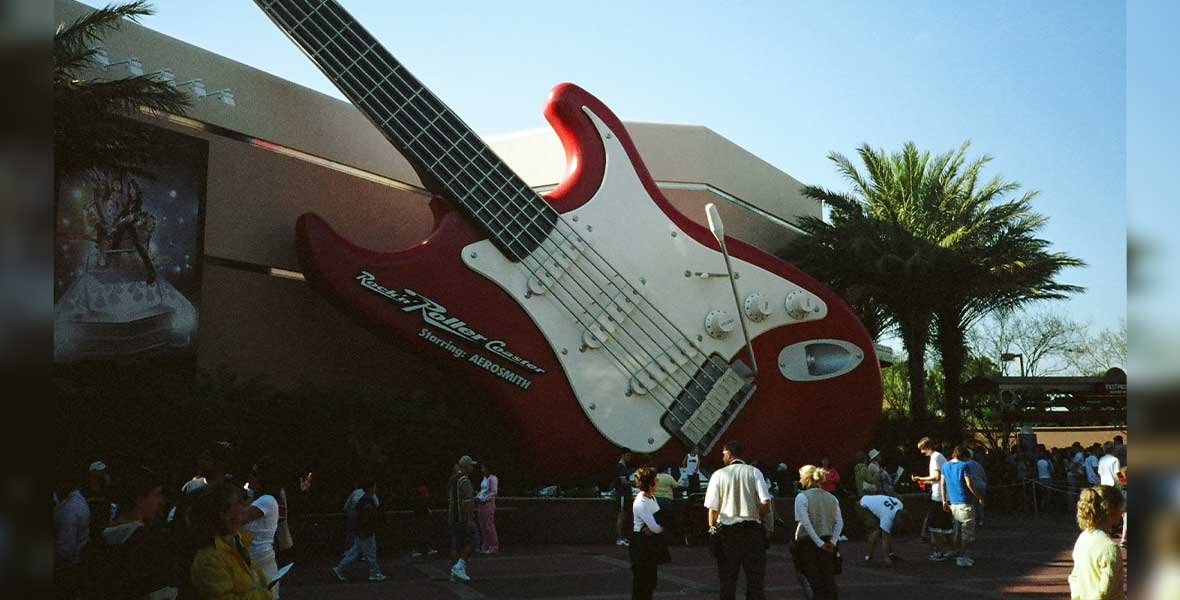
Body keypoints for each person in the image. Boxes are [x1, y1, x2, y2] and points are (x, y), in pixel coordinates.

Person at [86, 466, 177, 600]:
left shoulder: (98, 539)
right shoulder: (146, 543)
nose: (161, 502)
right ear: (139, 499)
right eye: (157, 494)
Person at [703, 441, 772, 600]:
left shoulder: (718, 475)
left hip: (728, 532)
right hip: (752, 531)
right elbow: (766, 502)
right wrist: (758, 516)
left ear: (729, 454)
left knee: (727, 580)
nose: (722, 458)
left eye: (723, 454)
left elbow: (713, 509)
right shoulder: (754, 472)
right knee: (755, 581)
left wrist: (712, 529)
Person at [189, 481, 273, 600]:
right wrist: (264, 595)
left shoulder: (235, 543)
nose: (244, 505)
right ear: (223, 513)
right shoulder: (210, 558)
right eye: (238, 502)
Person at [54, 460, 109, 599]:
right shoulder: (82, 496)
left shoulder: (73, 506)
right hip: (85, 548)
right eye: (98, 473)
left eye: (103, 473)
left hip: (83, 554)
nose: (102, 476)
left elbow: (65, 549)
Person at [793, 465, 843, 600]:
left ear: (808, 478)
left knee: (811, 580)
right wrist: (832, 542)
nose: (800, 480)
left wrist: (819, 543)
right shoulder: (832, 498)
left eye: (801, 476)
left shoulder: (802, 497)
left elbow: (805, 523)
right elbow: (839, 522)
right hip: (828, 540)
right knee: (828, 578)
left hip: (807, 543)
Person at [1068, 485, 1125, 599]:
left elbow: (1074, 578)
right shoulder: (1110, 547)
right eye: (1121, 509)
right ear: (1112, 511)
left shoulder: (1082, 539)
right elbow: (1105, 589)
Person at [332, 478, 387, 582]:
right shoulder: (368, 501)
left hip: (361, 531)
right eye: (374, 486)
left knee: (354, 552)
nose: (376, 488)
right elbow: (367, 518)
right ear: (371, 488)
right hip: (366, 531)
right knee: (370, 553)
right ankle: (374, 573)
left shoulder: (363, 499)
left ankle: (340, 568)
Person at [242, 459, 282, 597]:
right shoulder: (258, 499)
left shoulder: (267, 500)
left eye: (254, 473)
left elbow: (239, 518)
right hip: (253, 558)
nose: (249, 476)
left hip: (260, 559)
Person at [630, 467, 671, 600]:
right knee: (642, 582)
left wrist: (659, 526)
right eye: (656, 480)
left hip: (649, 543)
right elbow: (655, 527)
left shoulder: (651, 498)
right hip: (641, 544)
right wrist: (661, 526)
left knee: (650, 580)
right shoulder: (641, 502)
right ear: (650, 484)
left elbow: (657, 524)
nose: (658, 482)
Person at [941, 445, 985, 567]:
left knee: (956, 530)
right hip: (965, 501)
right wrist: (979, 497)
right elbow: (969, 483)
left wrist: (944, 500)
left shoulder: (945, 466)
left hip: (953, 502)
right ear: (964, 456)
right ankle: (962, 556)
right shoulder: (964, 466)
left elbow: (942, 484)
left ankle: (957, 553)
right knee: (967, 531)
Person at [912, 437, 953, 560]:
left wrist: (920, 478)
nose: (921, 452)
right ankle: (953, 550)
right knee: (946, 527)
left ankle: (939, 552)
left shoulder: (935, 458)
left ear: (926, 447)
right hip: (944, 495)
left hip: (938, 497)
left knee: (935, 527)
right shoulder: (939, 457)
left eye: (922, 449)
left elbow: (936, 477)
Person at [448, 456, 479, 582]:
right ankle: (460, 566)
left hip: (453, 517)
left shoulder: (452, 479)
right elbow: (467, 502)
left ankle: (455, 572)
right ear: (466, 466)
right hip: (462, 518)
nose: (472, 468)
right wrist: (470, 519)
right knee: (474, 540)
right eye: (471, 465)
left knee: (456, 545)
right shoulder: (464, 481)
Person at [859, 494, 902, 566]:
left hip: (870, 500)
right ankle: (868, 558)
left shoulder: (900, 505)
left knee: (886, 531)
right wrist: (886, 558)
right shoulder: (888, 517)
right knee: (876, 531)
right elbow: (885, 538)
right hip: (864, 505)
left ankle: (890, 554)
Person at [1097, 443, 1126, 546]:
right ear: (1113, 450)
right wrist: (1124, 481)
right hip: (1113, 485)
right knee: (1116, 509)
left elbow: (1099, 472)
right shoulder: (1115, 460)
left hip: (1103, 484)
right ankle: (1113, 528)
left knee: (1105, 508)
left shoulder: (1101, 459)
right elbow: (1118, 473)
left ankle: (1107, 529)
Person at [476, 462, 499, 555]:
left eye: (483, 468)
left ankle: (493, 546)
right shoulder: (485, 478)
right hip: (481, 504)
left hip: (488, 504)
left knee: (489, 525)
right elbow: (483, 490)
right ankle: (486, 544)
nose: (482, 470)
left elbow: (494, 492)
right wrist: (478, 496)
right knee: (483, 526)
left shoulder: (493, 478)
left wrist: (483, 498)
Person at [614, 448, 635, 547]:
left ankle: (622, 537)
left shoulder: (623, 466)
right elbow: (623, 482)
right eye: (628, 455)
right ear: (623, 455)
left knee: (624, 516)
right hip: (622, 494)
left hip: (624, 494)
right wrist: (635, 483)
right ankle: (619, 538)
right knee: (621, 516)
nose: (630, 458)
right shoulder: (621, 467)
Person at [965, 449, 988, 528]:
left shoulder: (964, 464)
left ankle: (973, 521)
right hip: (981, 485)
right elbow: (983, 475)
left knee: (972, 504)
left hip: (972, 486)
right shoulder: (977, 464)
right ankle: (981, 520)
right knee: (980, 504)